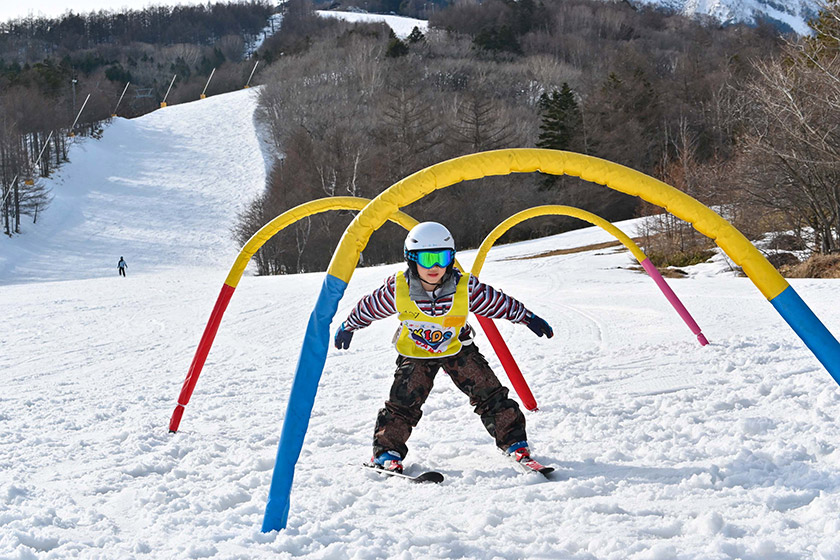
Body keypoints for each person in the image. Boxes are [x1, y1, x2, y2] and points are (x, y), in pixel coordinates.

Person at [334, 222, 554, 473]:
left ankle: (514, 443)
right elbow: (369, 307)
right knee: (402, 402)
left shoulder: (464, 287)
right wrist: (350, 325)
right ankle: (387, 452)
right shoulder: (399, 289)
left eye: (443, 257)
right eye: (427, 259)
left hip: (457, 348)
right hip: (415, 353)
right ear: (412, 259)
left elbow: (497, 302)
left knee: (489, 392)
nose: (435, 266)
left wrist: (526, 317)